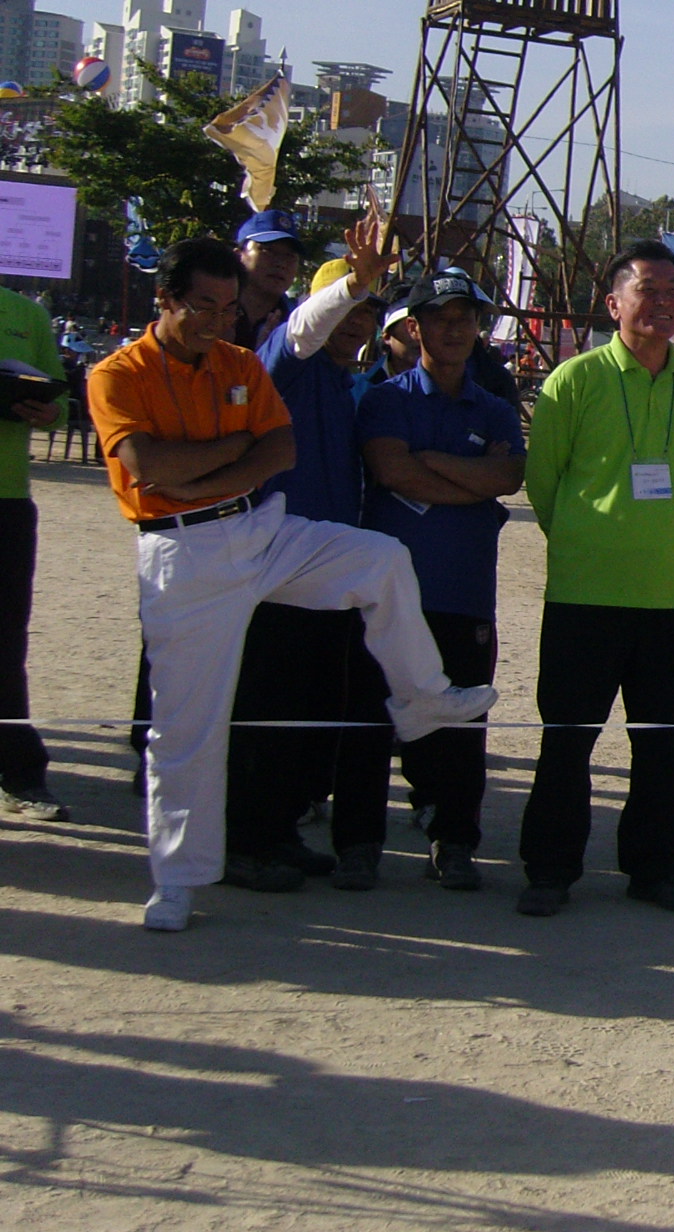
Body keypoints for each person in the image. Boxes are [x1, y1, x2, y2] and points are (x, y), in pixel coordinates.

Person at [85, 238, 494, 933]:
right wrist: (229, 457)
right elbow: (147, 465)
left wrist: (206, 473)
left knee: (381, 560)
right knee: (185, 730)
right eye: (203, 307)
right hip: (183, 557)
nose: (218, 321)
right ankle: (177, 880)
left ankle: (423, 697)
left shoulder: (240, 363)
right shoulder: (118, 372)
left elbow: (276, 450)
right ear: (165, 299)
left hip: (261, 528)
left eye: (226, 308)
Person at [517, 240, 674, 917]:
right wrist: (587, 537)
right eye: (647, 289)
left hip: (669, 595)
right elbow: (544, 482)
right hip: (586, 592)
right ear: (613, 303)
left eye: (672, 291)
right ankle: (550, 869)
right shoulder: (573, 380)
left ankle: (655, 868)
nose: (663, 302)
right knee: (567, 740)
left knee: (660, 744)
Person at [227, 220, 398, 892]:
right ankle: (243, 843)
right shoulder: (285, 362)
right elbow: (304, 328)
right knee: (264, 713)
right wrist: (353, 282)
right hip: (275, 572)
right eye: (349, 307)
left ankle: (280, 832)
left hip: (328, 578)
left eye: (369, 311)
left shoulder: (345, 383)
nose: (357, 321)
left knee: (307, 715)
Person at [357, 270, 526, 892]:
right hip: (387, 593)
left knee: (462, 728)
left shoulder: (495, 407)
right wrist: (467, 477)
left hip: (463, 590)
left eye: (466, 318)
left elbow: (507, 478)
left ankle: (454, 842)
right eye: (442, 317)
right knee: (370, 722)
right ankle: (358, 844)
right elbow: (392, 471)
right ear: (415, 326)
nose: (455, 329)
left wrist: (429, 460)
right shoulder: (385, 399)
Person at [0, 279, 67, 820]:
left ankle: (19, 773)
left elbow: (60, 400)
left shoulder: (28, 314)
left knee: (5, 645)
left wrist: (48, 412)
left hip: (8, 502)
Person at [229, 208, 305, 350]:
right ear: (239, 255)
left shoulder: (297, 326)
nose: (280, 264)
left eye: (290, 256)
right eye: (268, 251)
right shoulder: (214, 311)